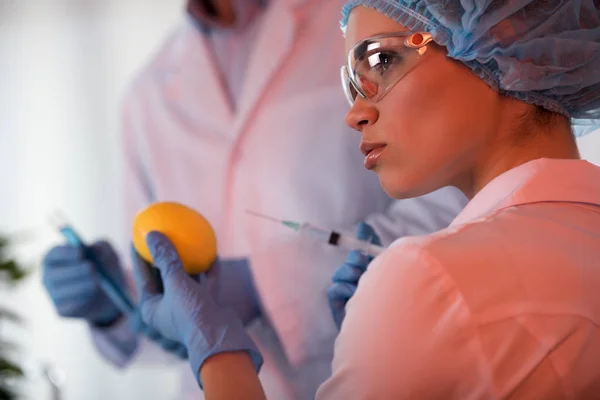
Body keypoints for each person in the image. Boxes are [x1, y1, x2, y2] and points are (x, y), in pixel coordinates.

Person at [128, 0, 600, 398]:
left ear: (504, 34)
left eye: (381, 61)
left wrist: (216, 352)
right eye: (351, 82)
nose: (354, 113)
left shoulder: (428, 276)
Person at [40, 0, 467, 399]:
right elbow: (167, 321)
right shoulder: (146, 94)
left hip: (375, 368)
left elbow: (460, 197)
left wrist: (269, 283)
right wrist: (115, 306)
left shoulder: (365, 23)